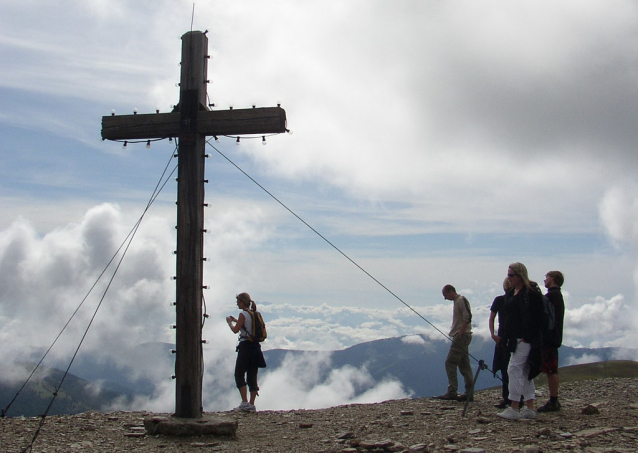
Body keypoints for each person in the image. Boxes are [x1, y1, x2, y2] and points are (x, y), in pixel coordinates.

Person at [496, 263, 544, 420]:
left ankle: (514, 407)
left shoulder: (530, 294)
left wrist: (528, 337)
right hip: (514, 339)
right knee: (524, 372)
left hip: (523, 339)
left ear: (520, 275)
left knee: (514, 369)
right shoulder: (513, 293)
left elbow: (538, 318)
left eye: (511, 275)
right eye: (508, 275)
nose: (508, 278)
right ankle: (529, 407)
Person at [226, 292, 266, 412]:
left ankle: (244, 402)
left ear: (242, 302)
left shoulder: (243, 314)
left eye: (238, 301)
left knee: (239, 373)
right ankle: (252, 404)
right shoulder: (254, 314)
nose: (237, 304)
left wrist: (230, 322)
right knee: (252, 375)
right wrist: (237, 320)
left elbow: (235, 330)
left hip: (245, 347)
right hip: (255, 347)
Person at [436, 285, 474, 402]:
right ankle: (469, 393)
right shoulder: (458, 301)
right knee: (464, 365)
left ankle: (452, 391)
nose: (445, 298)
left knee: (450, 362)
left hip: (461, 336)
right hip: (462, 335)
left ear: (450, 291)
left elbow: (468, 316)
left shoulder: (461, 300)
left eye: (445, 295)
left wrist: (461, 332)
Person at [537, 270, 565, 412]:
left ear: (553, 279)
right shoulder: (557, 296)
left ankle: (554, 400)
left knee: (551, 370)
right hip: (554, 337)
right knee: (551, 369)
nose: (545, 280)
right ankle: (554, 399)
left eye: (546, 277)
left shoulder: (551, 296)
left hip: (549, 338)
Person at [489, 277, 512, 409]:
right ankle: (513, 398)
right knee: (509, 369)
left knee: (505, 368)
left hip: (502, 336)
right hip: (506, 337)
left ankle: (508, 398)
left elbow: (491, 318)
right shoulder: (505, 300)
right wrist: (493, 335)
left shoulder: (499, 300)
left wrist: (493, 335)